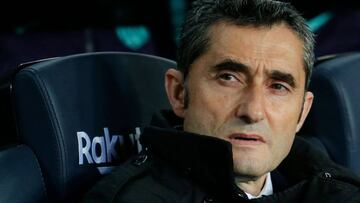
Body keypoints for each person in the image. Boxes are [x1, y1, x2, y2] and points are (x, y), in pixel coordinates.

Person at [83, 0, 360, 202]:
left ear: (302, 111)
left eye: (278, 86)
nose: (252, 111)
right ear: (179, 93)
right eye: (229, 78)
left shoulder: (339, 191)